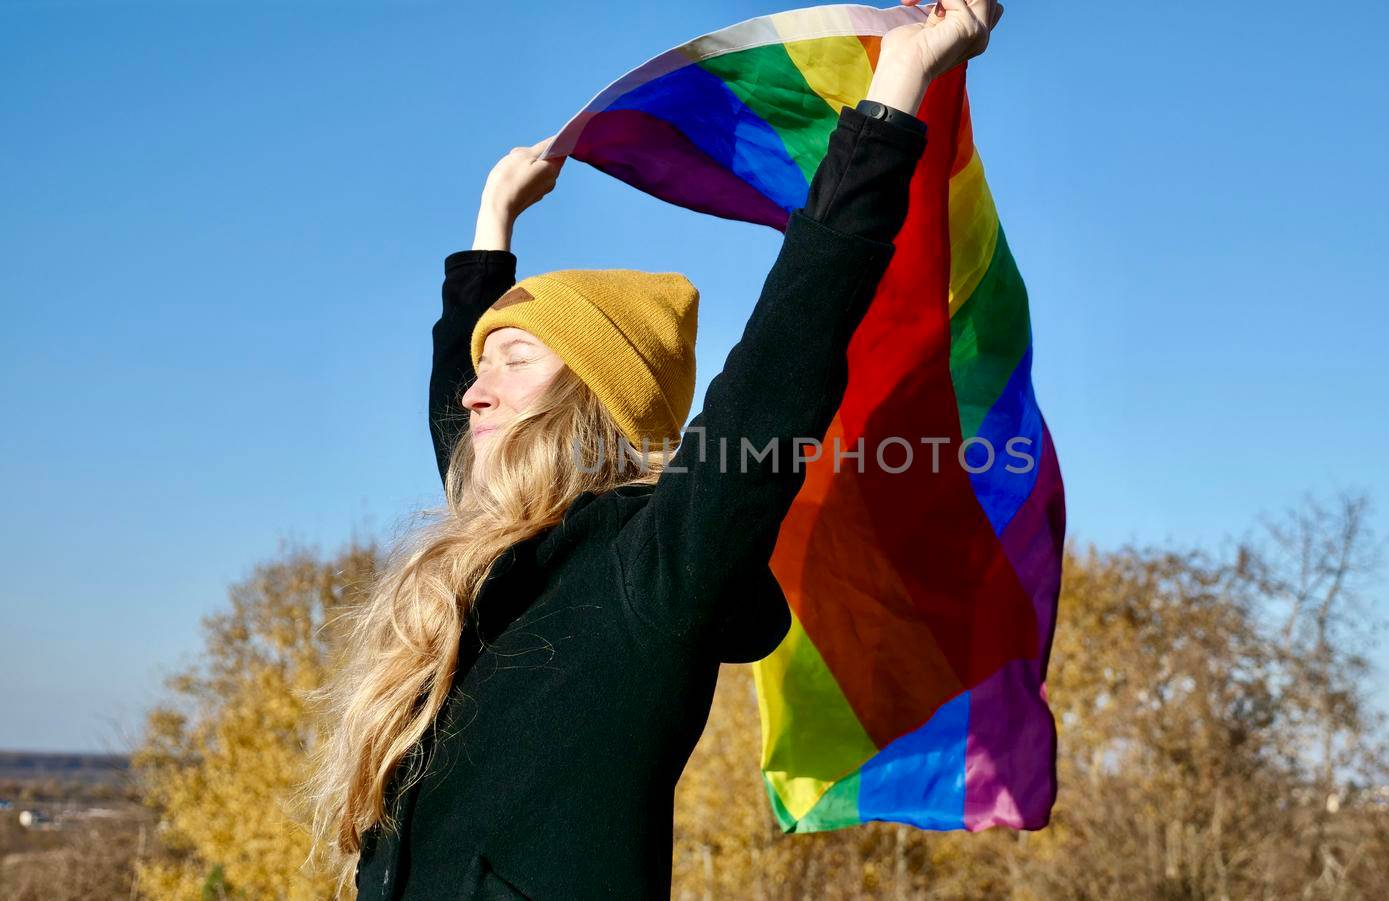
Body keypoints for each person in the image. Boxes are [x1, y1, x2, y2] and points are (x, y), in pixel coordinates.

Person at [307, 1, 1004, 897]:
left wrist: (898, 81)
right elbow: (463, 411)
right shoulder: (499, 555)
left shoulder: (654, 569)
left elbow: (783, 362)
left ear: (590, 395)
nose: (476, 390)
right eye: (480, 367)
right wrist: (492, 222)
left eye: (514, 360)